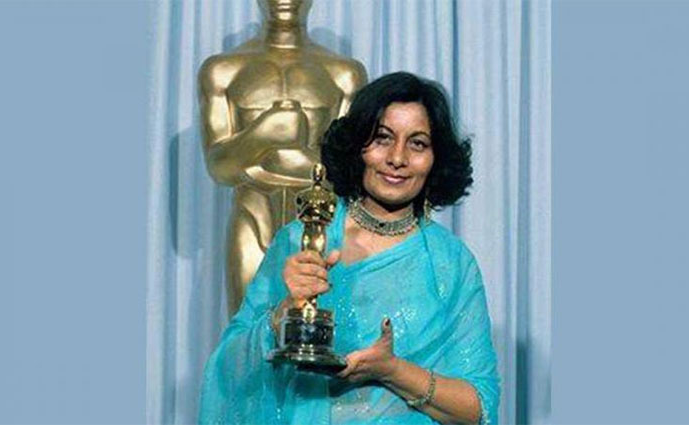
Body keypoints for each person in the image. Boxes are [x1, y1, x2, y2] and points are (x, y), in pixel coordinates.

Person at [199, 72, 500, 424]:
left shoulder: (450, 263)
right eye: (382, 138)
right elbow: (227, 372)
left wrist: (392, 370)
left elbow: (478, 408)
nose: (397, 158)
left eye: (417, 144)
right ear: (358, 145)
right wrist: (282, 316)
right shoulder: (300, 241)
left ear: (436, 159)